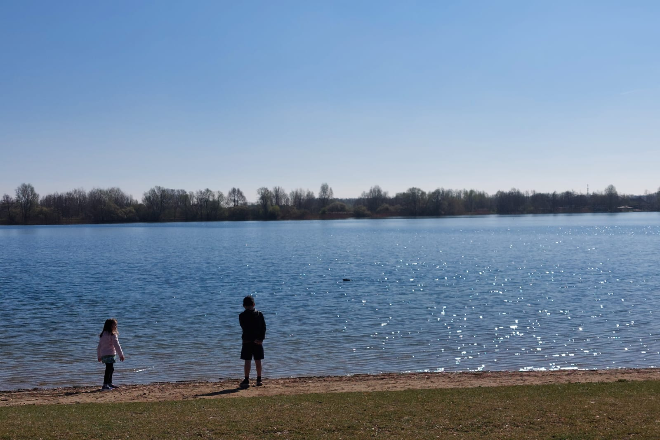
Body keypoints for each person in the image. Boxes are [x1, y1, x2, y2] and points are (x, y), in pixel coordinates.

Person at [239, 295, 266, 388]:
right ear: (254, 304)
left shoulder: (242, 316)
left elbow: (244, 328)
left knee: (247, 360)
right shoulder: (259, 314)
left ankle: (246, 379)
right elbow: (263, 328)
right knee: (258, 360)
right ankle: (259, 379)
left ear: (243, 305)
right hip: (258, 341)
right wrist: (261, 339)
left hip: (247, 341)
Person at [97, 318, 125, 390]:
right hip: (110, 354)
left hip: (104, 355)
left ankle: (109, 383)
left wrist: (99, 356)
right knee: (109, 369)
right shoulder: (112, 335)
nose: (116, 326)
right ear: (110, 326)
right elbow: (117, 345)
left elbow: (99, 346)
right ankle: (105, 384)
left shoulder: (103, 334)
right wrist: (121, 355)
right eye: (115, 325)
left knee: (110, 369)